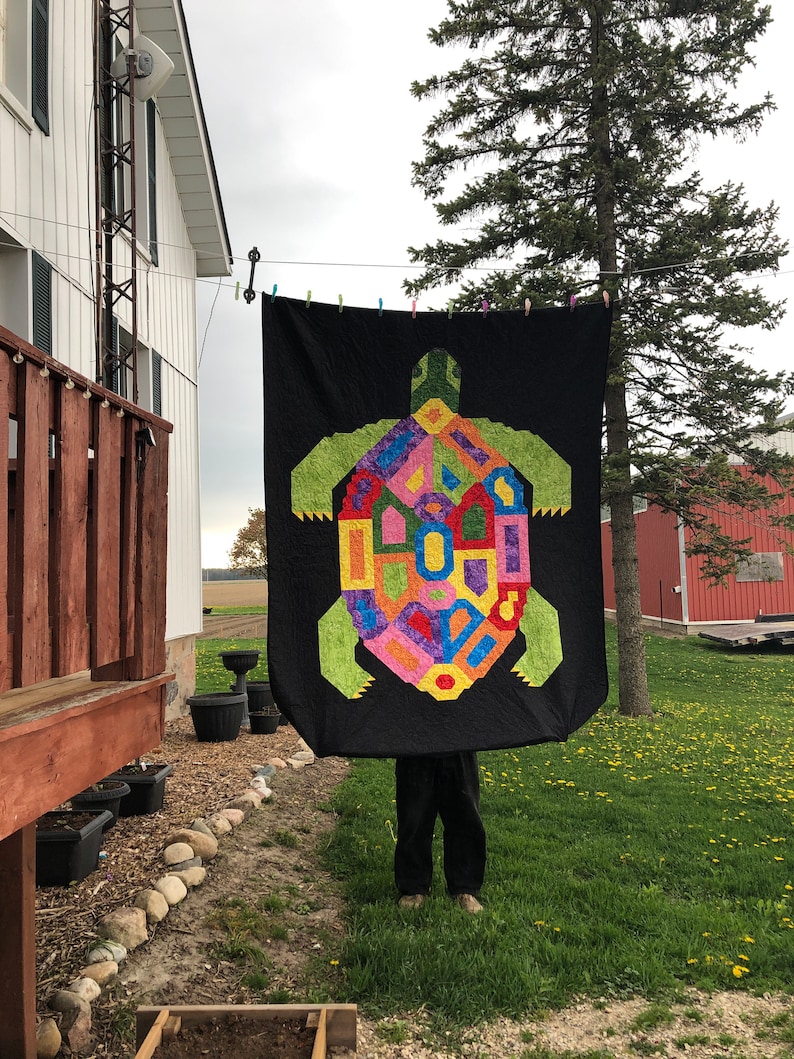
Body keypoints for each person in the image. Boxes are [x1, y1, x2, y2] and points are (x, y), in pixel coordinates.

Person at [393, 751, 486, 913]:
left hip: (460, 740)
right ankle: (414, 886)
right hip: (414, 741)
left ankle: (465, 887)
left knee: (465, 814)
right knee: (414, 816)